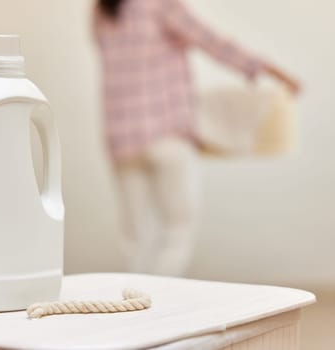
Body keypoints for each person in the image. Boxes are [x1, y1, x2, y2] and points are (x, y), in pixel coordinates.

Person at [92, 0, 300, 276]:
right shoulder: (160, 4)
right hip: (167, 132)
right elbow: (213, 42)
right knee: (176, 229)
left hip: (121, 137)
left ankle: (134, 306)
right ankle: (158, 305)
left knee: (134, 236)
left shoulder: (102, 10)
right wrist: (275, 72)